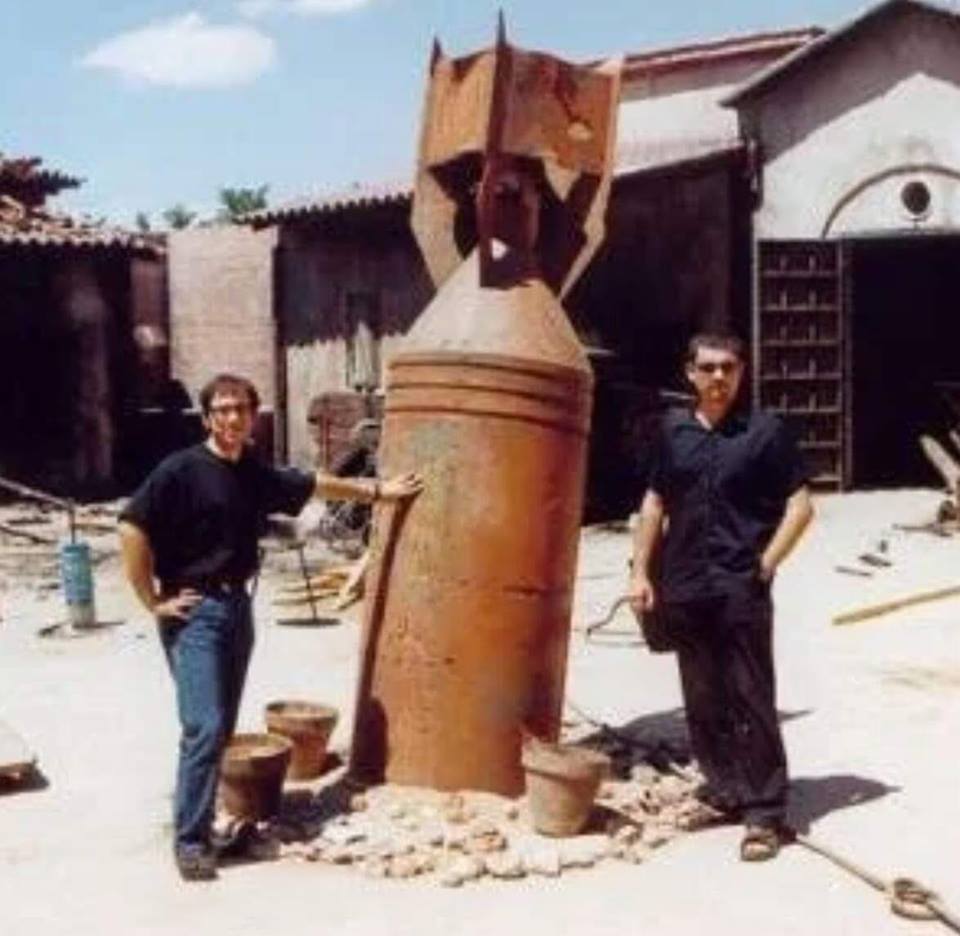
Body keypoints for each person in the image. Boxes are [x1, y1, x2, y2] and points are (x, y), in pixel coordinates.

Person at [118, 373, 421, 882]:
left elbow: (312, 483)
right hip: (194, 614)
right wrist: (152, 600)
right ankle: (190, 843)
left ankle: (206, 825)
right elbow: (132, 526)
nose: (232, 417)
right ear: (208, 417)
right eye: (222, 409)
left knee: (218, 729)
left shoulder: (251, 472)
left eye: (241, 408)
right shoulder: (181, 470)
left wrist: (378, 493)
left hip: (237, 609)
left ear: (253, 415)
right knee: (204, 727)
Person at [629, 333, 813, 861]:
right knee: (703, 697)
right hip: (684, 584)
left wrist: (766, 564)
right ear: (690, 373)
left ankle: (764, 814)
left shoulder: (766, 432)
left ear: (741, 372)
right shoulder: (673, 432)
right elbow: (654, 503)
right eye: (708, 368)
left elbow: (801, 506)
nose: (718, 377)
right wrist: (641, 572)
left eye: (728, 368)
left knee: (751, 696)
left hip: (739, 586)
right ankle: (727, 789)